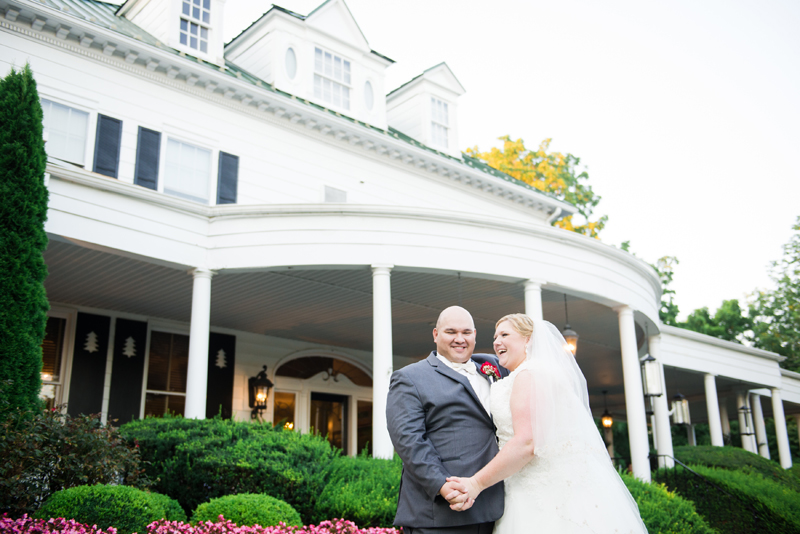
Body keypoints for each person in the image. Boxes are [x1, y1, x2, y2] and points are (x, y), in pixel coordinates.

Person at [448, 314, 648, 533]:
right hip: (559, 486)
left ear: (528, 340)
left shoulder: (528, 375)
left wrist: (476, 484)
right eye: (495, 336)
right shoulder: (545, 373)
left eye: (505, 334)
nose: (497, 342)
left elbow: (526, 442)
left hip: (538, 495)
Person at [386, 306, 508, 534]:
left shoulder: (494, 367)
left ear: (475, 335)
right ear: (435, 334)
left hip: (493, 508)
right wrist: (442, 484)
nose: (459, 339)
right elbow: (409, 440)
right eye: (451, 332)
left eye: (466, 332)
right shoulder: (410, 377)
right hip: (439, 513)